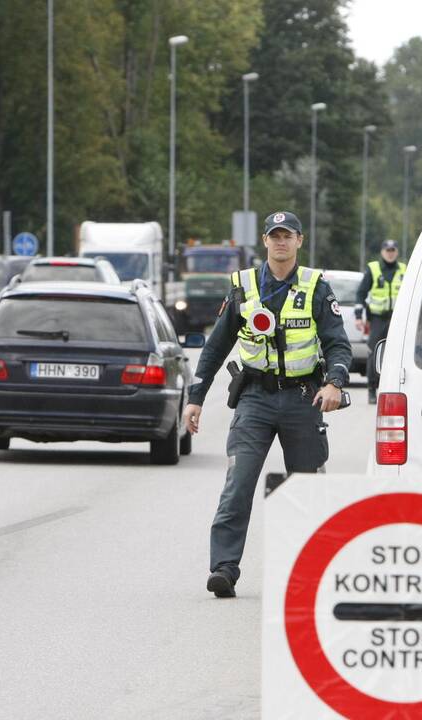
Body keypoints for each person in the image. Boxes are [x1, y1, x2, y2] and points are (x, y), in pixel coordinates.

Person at [182, 210, 352, 598]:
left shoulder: (315, 286)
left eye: (287, 235)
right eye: (274, 235)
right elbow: (214, 347)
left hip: (302, 399)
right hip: (255, 400)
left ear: (299, 241)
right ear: (264, 241)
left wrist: (334, 383)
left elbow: (338, 343)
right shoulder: (242, 286)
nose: (280, 241)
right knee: (238, 485)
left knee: (305, 488)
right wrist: (196, 399)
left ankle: (311, 572)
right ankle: (223, 569)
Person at [355, 239, 406, 403]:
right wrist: (358, 316)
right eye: (387, 250)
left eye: (393, 250)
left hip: (398, 320)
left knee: (400, 354)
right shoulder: (373, 268)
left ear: (396, 252)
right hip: (377, 319)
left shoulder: (404, 270)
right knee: (373, 353)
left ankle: (396, 390)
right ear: (382, 252)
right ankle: (371, 390)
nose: (390, 253)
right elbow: (361, 294)